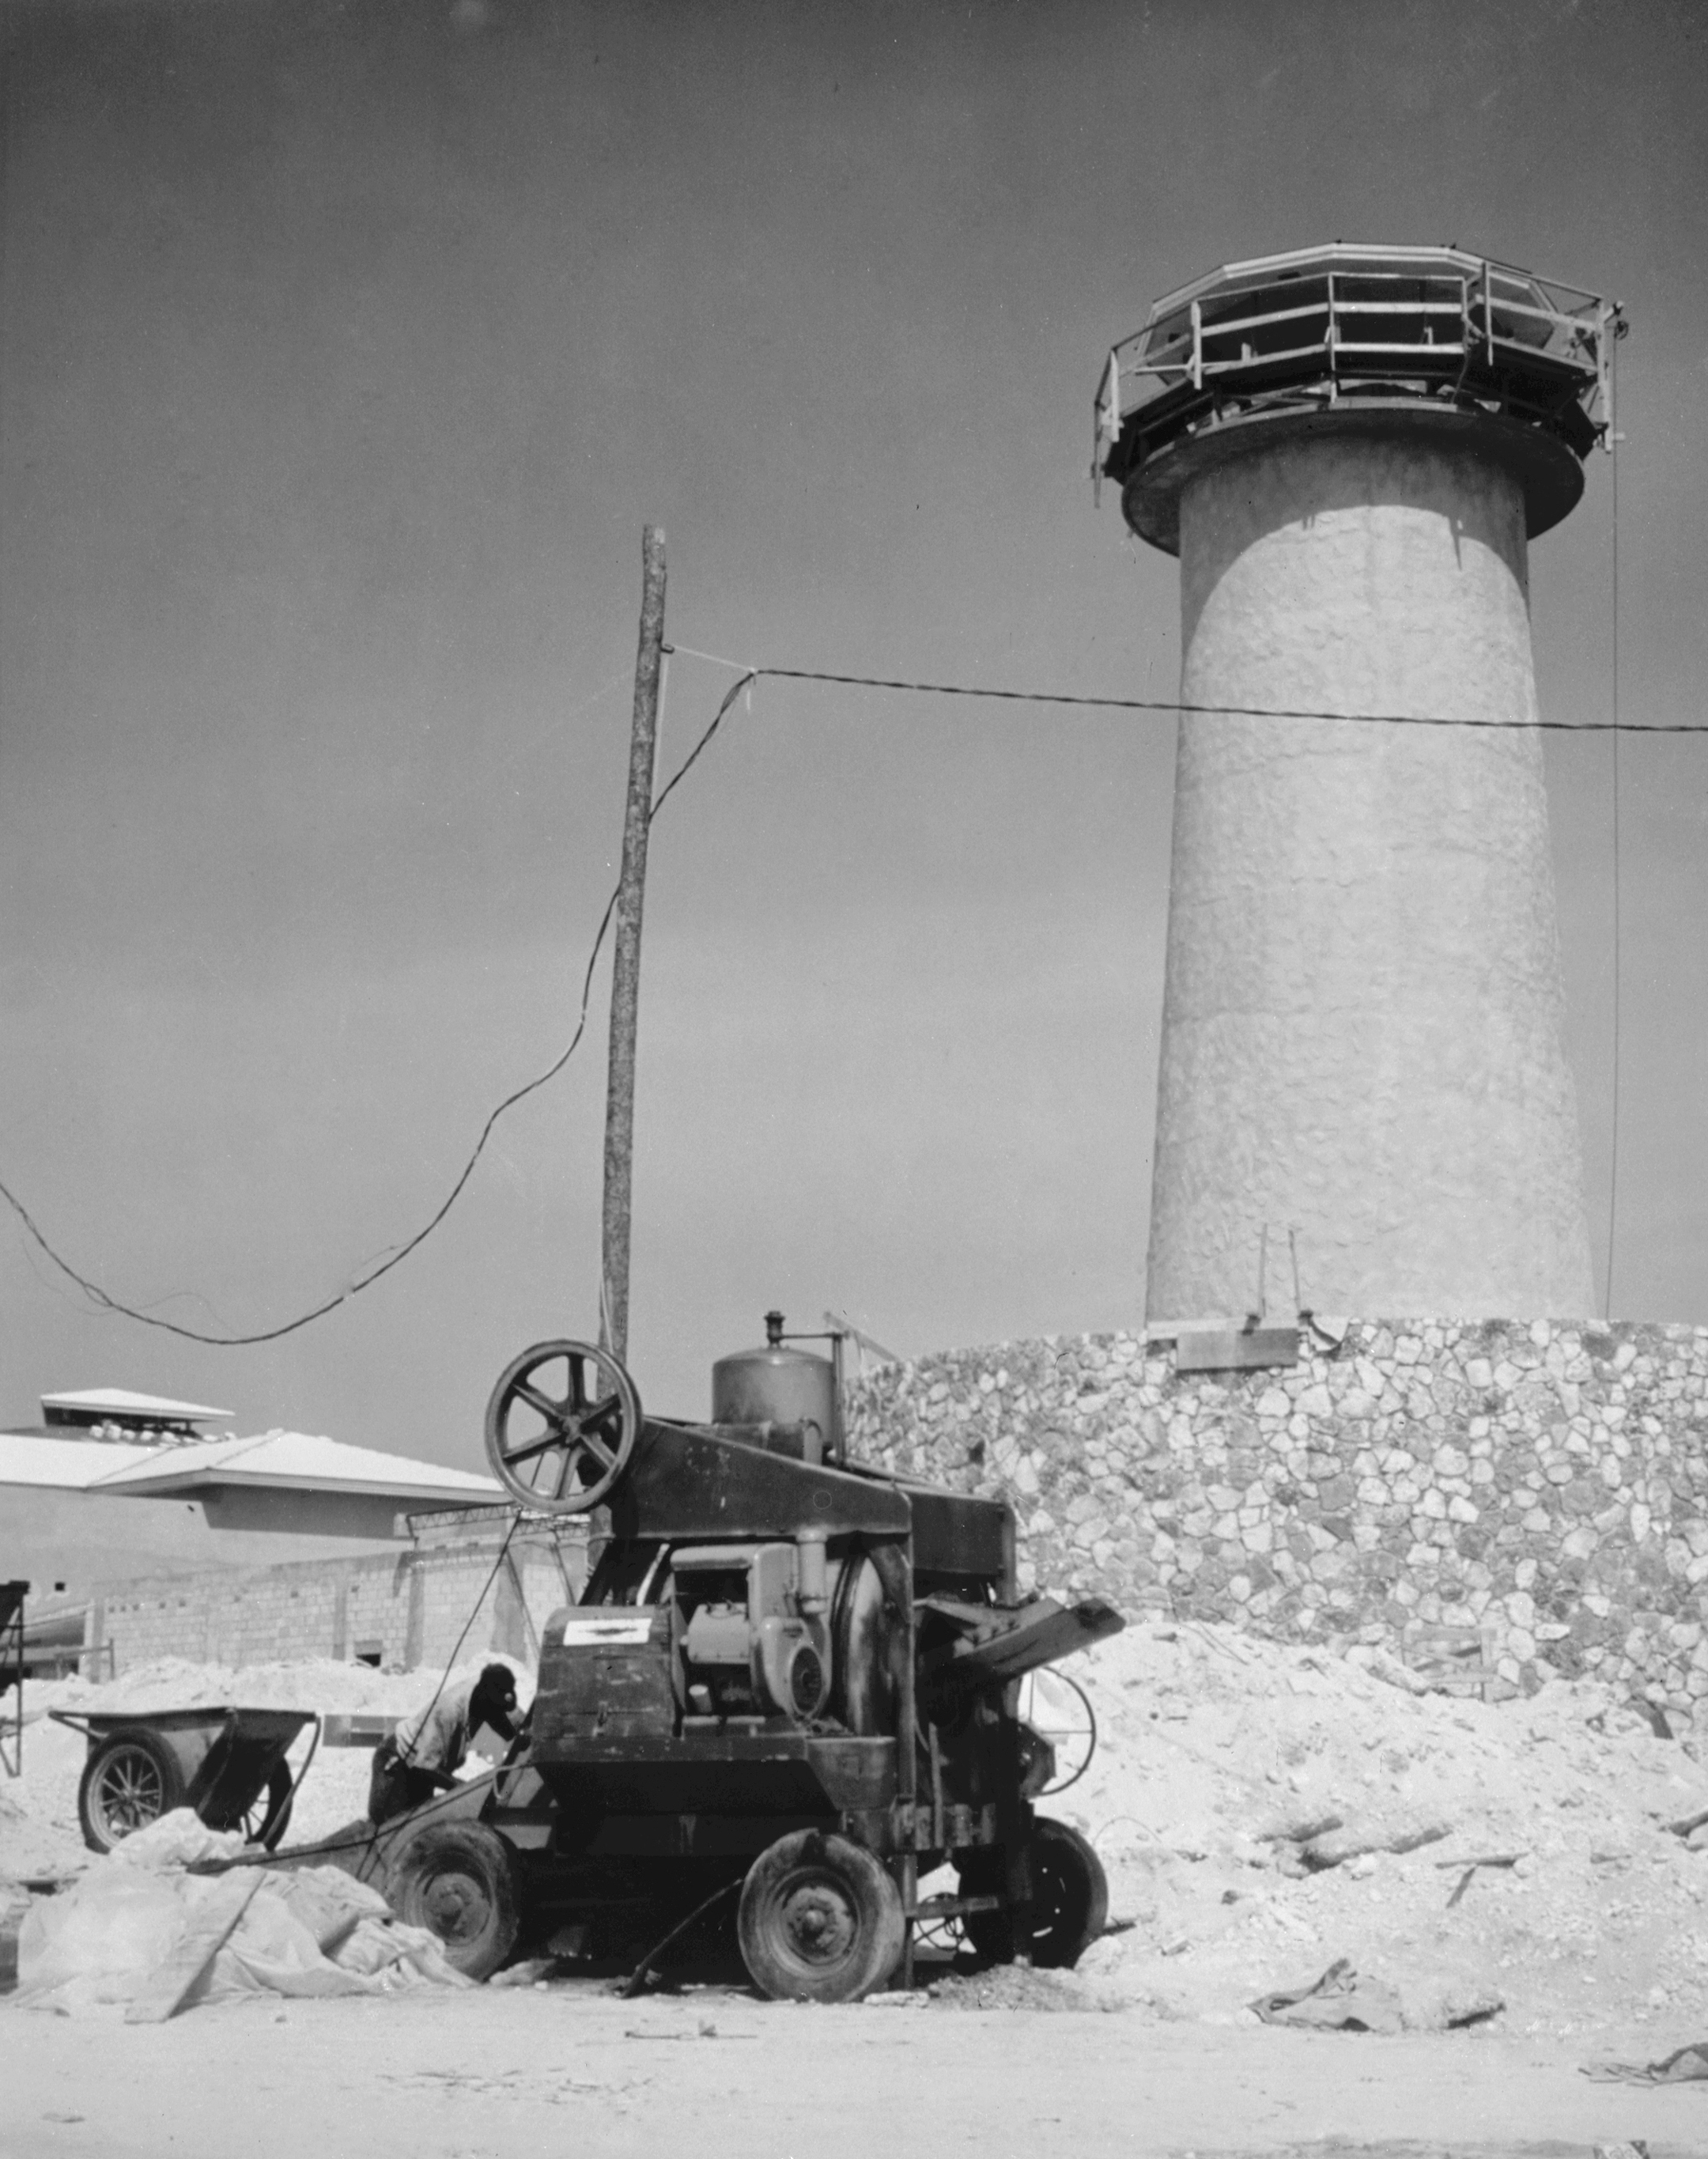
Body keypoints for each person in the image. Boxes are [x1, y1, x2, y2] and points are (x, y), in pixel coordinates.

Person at [367, 1662, 520, 1826]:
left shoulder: (489, 1687)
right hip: (399, 1762)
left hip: (424, 1768)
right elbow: (424, 1767)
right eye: (493, 1713)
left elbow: (506, 1720)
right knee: (389, 1832)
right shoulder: (448, 1711)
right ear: (483, 1702)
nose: (495, 1719)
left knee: (419, 1831)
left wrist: (518, 1736)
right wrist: (464, 1789)